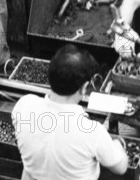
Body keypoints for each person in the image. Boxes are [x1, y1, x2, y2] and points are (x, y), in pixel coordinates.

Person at [12, 44, 128, 180]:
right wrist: (117, 144)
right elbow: (121, 168)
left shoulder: (24, 106)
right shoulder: (92, 132)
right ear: (84, 87)